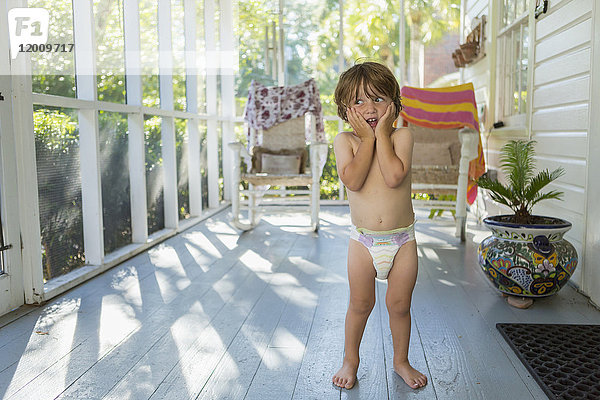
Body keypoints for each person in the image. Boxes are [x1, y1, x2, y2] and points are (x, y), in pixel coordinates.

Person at [331, 62, 427, 390]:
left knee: (399, 306)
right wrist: (367, 139)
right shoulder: (345, 142)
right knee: (360, 305)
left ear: (394, 106)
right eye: (358, 102)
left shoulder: (402, 136)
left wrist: (381, 134)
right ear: (346, 111)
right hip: (363, 243)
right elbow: (354, 181)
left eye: (378, 99)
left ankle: (401, 361)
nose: (369, 108)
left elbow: (394, 175)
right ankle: (350, 360)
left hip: (402, 242)